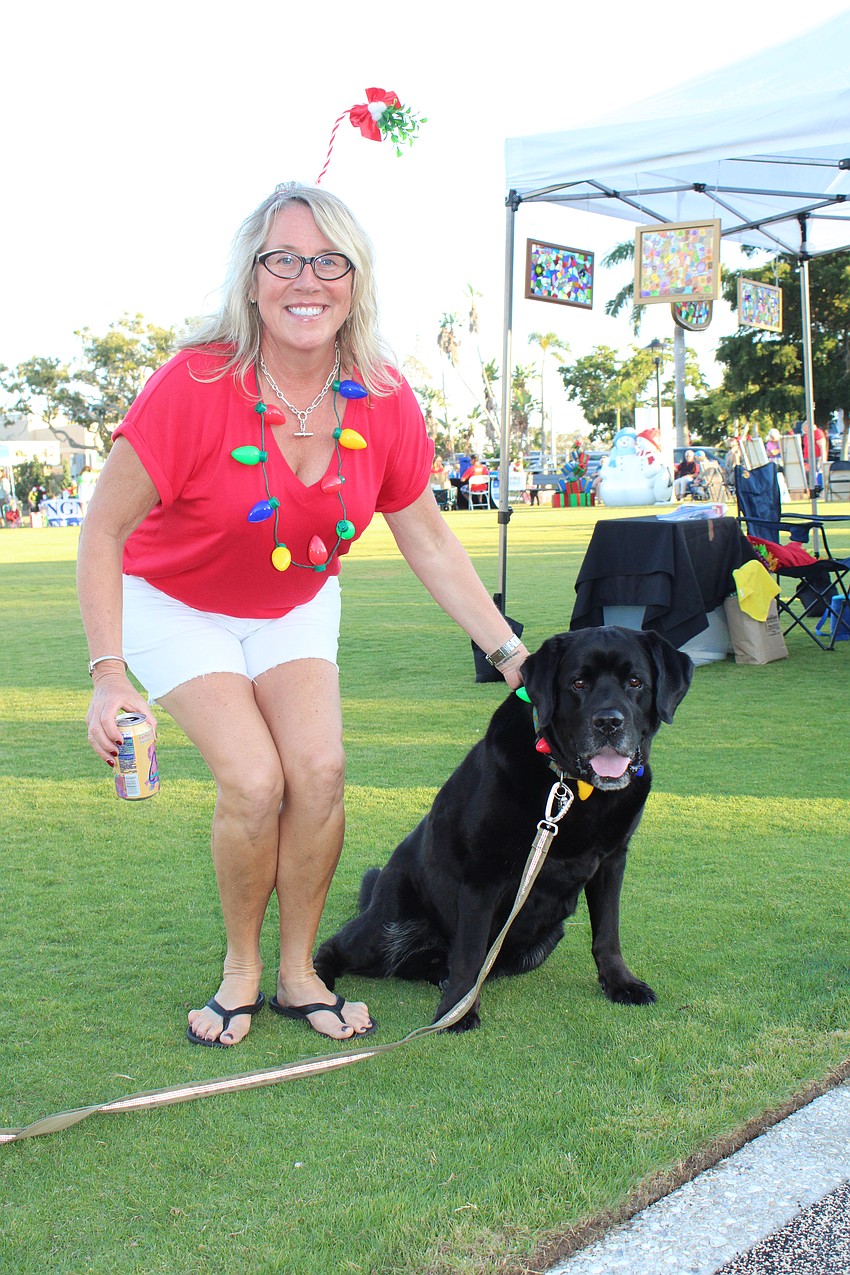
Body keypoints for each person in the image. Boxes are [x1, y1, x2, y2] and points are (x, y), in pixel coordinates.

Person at [77, 182, 529, 1049]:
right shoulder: (194, 382)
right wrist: (108, 675)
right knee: (255, 780)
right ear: (252, 280)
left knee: (318, 771)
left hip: (291, 600)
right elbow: (103, 529)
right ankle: (240, 972)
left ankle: (297, 973)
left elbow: (428, 536)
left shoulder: (385, 397)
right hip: (172, 601)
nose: (305, 279)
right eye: (283, 259)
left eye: (329, 261)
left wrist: (510, 652)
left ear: (355, 283)